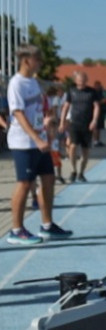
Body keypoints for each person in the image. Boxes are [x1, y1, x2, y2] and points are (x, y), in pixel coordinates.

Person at [4, 44, 73, 245]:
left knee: (49, 178)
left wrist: (47, 125)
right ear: (26, 60)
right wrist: (36, 138)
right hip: (23, 142)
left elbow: (40, 109)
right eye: (38, 59)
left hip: (41, 141)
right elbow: (18, 113)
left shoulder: (34, 83)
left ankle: (47, 225)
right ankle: (16, 230)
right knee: (25, 183)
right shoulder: (16, 84)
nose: (41, 63)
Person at [60, 71, 101, 183]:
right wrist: (62, 122)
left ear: (86, 80)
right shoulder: (71, 91)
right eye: (79, 80)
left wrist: (94, 120)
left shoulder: (92, 92)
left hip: (87, 125)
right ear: (76, 81)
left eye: (83, 80)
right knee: (72, 146)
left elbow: (96, 106)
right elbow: (66, 107)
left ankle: (81, 173)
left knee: (85, 151)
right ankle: (73, 169)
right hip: (74, 123)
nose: (81, 82)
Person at [92, 80, 106, 147]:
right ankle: (95, 141)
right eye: (97, 85)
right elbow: (95, 102)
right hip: (95, 112)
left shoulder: (100, 92)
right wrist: (102, 101)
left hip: (101, 112)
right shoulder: (93, 93)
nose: (99, 86)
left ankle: (98, 140)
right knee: (96, 127)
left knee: (99, 127)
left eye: (99, 85)